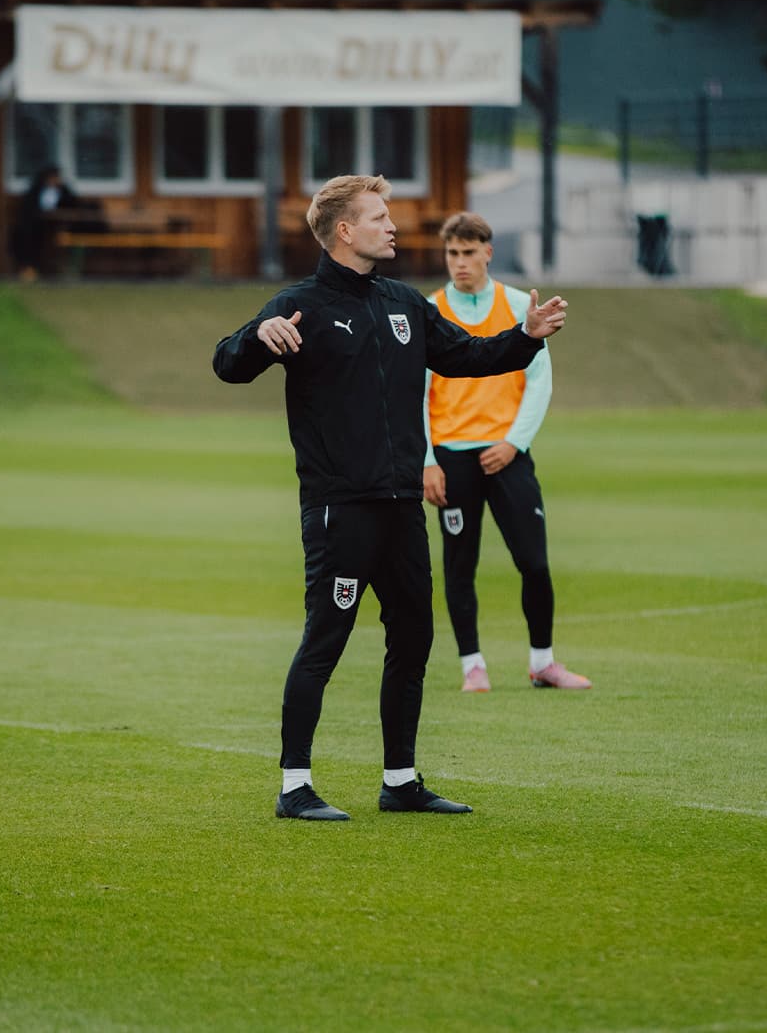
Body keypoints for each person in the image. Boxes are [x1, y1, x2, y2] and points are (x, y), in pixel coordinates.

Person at [213, 175, 569, 822]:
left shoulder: (404, 303)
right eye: (379, 216)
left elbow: (468, 357)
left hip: (404, 507)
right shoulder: (300, 306)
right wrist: (256, 340)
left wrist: (528, 336)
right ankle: (295, 787)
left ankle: (400, 782)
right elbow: (227, 362)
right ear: (345, 230)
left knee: (412, 640)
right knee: (325, 640)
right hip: (341, 510)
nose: (393, 225)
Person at [423, 212, 591, 694]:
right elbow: (417, 391)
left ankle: (543, 662)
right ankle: (472, 665)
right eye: (452, 254)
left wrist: (512, 441)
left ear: (488, 253)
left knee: (534, 562)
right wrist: (428, 461)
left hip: (508, 453)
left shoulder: (521, 305)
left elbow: (539, 381)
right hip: (452, 458)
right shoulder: (430, 311)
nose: (460, 263)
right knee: (460, 565)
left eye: (469, 253)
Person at [8, 165, 98, 279]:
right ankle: (29, 267)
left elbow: (73, 206)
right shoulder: (36, 190)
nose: (55, 180)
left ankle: (61, 269)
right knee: (25, 235)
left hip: (59, 226)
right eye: (53, 177)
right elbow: (29, 211)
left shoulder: (63, 190)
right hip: (37, 226)